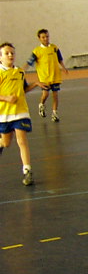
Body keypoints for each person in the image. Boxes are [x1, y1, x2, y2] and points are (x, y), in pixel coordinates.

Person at [0, 42, 38, 186]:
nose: (10, 55)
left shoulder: (20, 72)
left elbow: (23, 89)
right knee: (6, 143)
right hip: (4, 114)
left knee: (22, 140)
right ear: (0, 57)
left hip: (20, 112)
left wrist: (35, 84)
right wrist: (6, 98)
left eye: (12, 53)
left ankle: (27, 171)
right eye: (6, 53)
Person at [23, 29, 68, 122]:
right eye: (43, 37)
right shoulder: (37, 51)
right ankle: (41, 104)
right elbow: (29, 62)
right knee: (46, 94)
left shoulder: (54, 48)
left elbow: (59, 59)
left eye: (47, 36)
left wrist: (63, 67)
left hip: (55, 76)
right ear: (39, 38)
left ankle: (54, 113)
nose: (46, 39)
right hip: (44, 77)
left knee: (55, 95)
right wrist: (22, 70)